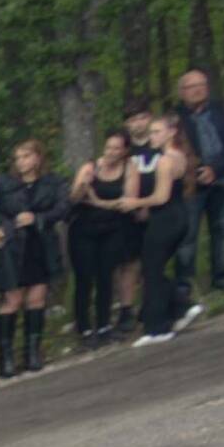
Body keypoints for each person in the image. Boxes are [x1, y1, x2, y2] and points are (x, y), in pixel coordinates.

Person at [0, 142, 64, 376]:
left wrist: (37, 218)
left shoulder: (52, 182)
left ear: (37, 157)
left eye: (26, 156)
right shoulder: (3, 184)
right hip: (10, 245)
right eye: (18, 158)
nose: (22, 162)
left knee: (36, 298)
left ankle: (33, 351)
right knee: (12, 299)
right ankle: (5, 356)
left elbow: (63, 208)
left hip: (40, 243)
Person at [134, 108, 201, 338]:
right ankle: (180, 306)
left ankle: (158, 326)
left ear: (171, 133)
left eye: (156, 132)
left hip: (166, 217)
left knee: (151, 270)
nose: (152, 136)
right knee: (152, 269)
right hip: (177, 216)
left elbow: (161, 197)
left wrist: (134, 201)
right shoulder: (180, 156)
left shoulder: (165, 160)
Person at [70, 127, 139, 342]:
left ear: (125, 151)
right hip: (85, 227)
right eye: (108, 147)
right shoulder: (91, 166)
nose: (111, 152)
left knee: (105, 277)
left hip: (113, 228)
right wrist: (83, 186)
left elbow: (128, 201)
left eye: (116, 148)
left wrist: (99, 202)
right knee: (84, 278)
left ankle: (103, 325)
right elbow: (73, 198)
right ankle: (83, 327)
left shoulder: (130, 168)